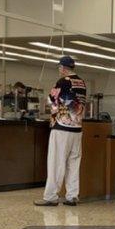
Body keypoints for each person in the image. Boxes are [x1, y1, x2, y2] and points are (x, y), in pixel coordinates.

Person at [34, 56, 86, 207]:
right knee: (73, 163)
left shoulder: (62, 82)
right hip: (77, 128)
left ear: (62, 68)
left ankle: (50, 197)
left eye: (59, 68)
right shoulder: (81, 83)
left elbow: (51, 99)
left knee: (56, 162)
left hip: (62, 126)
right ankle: (72, 196)